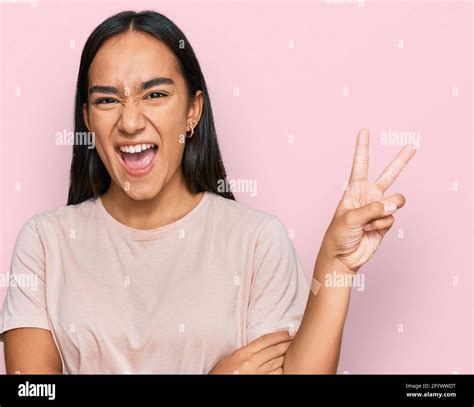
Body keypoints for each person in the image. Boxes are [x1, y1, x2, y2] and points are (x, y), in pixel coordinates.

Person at [0, 10, 416, 374]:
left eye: (156, 94)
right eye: (108, 100)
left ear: (193, 111)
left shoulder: (256, 240)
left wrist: (336, 268)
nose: (130, 122)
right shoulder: (45, 242)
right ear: (88, 119)